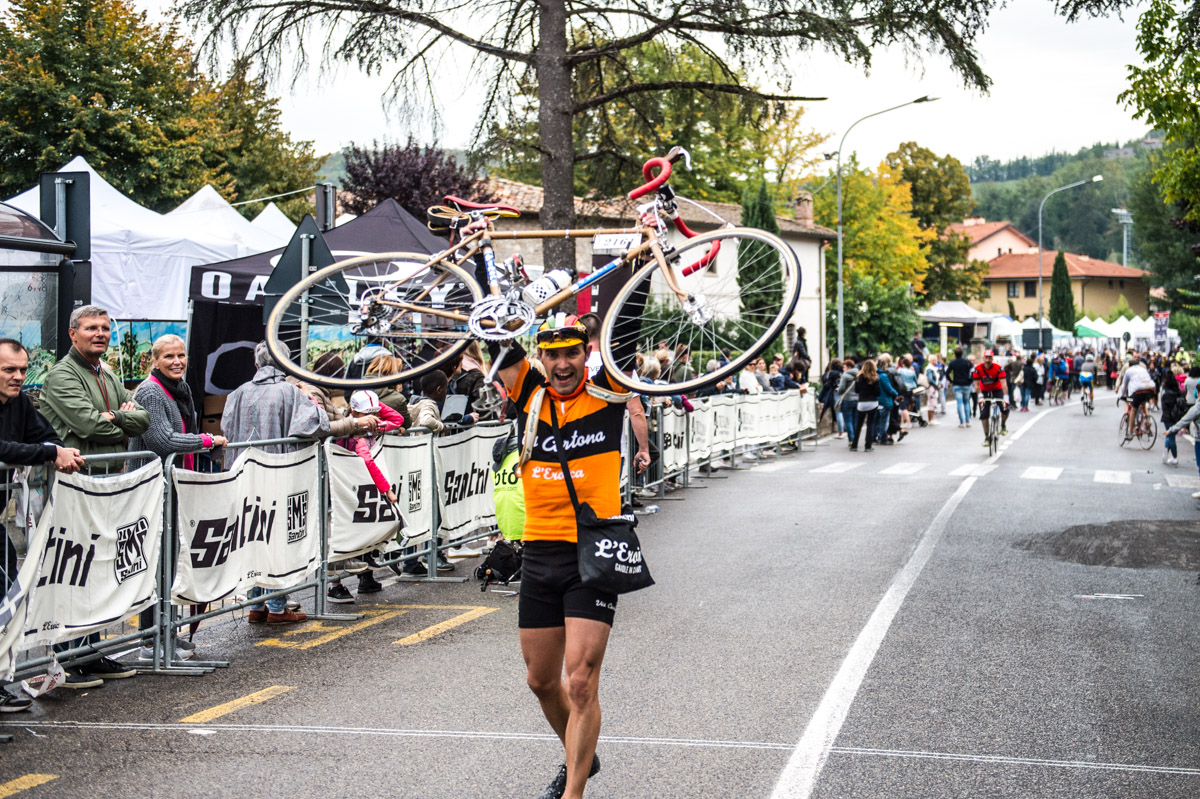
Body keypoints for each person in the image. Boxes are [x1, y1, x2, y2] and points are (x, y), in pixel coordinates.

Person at [490, 313, 648, 799]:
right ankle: (582, 754)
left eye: (572, 354)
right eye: (552, 355)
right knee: (541, 681)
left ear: (587, 354)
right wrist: (477, 250)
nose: (562, 364)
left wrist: (643, 253)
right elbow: (489, 327)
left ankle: (573, 792)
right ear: (540, 357)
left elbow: (628, 315)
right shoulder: (529, 395)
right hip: (538, 552)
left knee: (579, 681)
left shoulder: (605, 392)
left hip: (592, 551)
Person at [39, 305, 151, 687]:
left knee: (98, 570)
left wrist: (113, 419)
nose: (100, 333)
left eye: (104, 328)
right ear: (73, 334)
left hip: (105, 482)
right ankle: (67, 659)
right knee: (74, 571)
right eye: (91, 328)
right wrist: (117, 418)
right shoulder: (61, 375)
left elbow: (143, 420)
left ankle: (90, 652)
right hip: (73, 484)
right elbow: (87, 423)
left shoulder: (107, 373)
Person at [128, 334, 228, 661]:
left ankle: (167, 632)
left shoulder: (180, 390)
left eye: (181, 355)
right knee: (157, 566)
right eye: (168, 356)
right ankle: (149, 641)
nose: (177, 361)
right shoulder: (150, 392)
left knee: (171, 565)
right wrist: (205, 440)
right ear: (154, 361)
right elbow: (161, 440)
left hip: (176, 485)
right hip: (154, 488)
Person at [0, 338, 84, 711]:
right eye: (9, 370)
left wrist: (55, 451)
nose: (18, 377)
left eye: (21, 369)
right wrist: (49, 453)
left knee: (7, 594)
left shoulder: (18, 403)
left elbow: (46, 436)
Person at [222, 341, 330, 623]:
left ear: (256, 365)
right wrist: (312, 399)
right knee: (278, 539)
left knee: (254, 536)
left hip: (244, 476)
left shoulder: (238, 393)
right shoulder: (291, 392)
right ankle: (278, 607)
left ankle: (256, 605)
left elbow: (225, 427)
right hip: (280, 476)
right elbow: (317, 425)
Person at [972, 349, 1009, 444]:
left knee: (1005, 409)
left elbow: (1004, 384)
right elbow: (976, 384)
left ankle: (1003, 424)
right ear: (983, 358)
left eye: (990, 358)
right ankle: (987, 437)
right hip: (984, 391)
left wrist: (1006, 397)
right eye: (986, 358)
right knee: (984, 414)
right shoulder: (977, 369)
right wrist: (980, 396)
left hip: (997, 390)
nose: (988, 360)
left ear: (992, 358)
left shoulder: (998, 368)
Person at [1118, 355, 1157, 440]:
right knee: (1143, 404)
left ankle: (1130, 433)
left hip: (1138, 390)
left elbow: (1124, 386)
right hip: (1150, 388)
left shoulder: (1128, 371)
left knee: (1133, 410)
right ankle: (1147, 421)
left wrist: (1122, 395)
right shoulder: (1143, 369)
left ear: (1129, 365)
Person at [850, 358, 880, 452]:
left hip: (862, 402)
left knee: (859, 425)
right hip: (872, 402)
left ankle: (854, 445)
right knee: (870, 424)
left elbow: (856, 390)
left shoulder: (859, 377)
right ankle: (868, 446)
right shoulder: (874, 377)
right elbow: (878, 392)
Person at [947, 346, 973, 428]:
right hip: (966, 385)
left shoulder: (953, 363)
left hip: (957, 385)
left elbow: (947, 373)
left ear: (955, 354)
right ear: (962, 353)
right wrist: (970, 380)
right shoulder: (967, 362)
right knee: (966, 402)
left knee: (959, 403)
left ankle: (961, 422)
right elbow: (973, 372)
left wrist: (951, 381)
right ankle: (968, 421)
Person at [835, 357, 859, 443]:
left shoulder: (845, 375)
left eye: (844, 367)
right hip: (857, 400)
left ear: (848, 367)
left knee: (848, 421)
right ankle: (856, 439)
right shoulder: (859, 375)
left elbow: (841, 388)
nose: (843, 369)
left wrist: (838, 391)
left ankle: (851, 439)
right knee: (856, 420)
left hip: (847, 400)